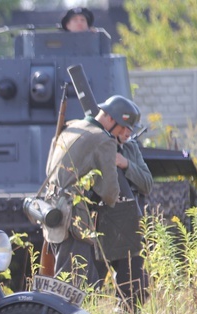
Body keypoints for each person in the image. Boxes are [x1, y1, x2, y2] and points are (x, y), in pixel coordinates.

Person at [45, 95, 140, 288]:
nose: (123, 133)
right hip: (75, 219)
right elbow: (110, 193)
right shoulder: (103, 140)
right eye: (122, 127)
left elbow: (48, 170)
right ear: (112, 119)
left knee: (66, 278)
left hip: (53, 212)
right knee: (74, 286)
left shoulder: (71, 127)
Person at [95, 115, 153, 312]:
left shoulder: (130, 148)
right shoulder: (95, 142)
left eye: (131, 128)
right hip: (98, 222)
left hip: (127, 222)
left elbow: (147, 184)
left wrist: (126, 164)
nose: (128, 133)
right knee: (90, 280)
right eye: (124, 128)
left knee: (133, 281)